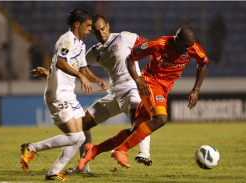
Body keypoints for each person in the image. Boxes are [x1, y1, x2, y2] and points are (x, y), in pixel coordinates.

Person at [32, 15, 153, 174]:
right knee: (83, 125)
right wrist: (50, 73)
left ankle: (144, 153)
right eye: (96, 31)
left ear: (108, 26)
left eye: (103, 29)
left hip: (131, 88)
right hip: (114, 94)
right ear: (94, 34)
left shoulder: (124, 37)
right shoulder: (94, 52)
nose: (101, 33)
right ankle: (84, 168)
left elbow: (152, 46)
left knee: (137, 117)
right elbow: (77, 67)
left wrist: (164, 69)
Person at [81, 26, 209, 169]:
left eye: (190, 46)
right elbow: (131, 57)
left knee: (136, 130)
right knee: (161, 119)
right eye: (185, 46)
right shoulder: (158, 44)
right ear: (177, 39)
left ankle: (94, 150)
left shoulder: (193, 48)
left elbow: (203, 64)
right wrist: (137, 80)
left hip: (164, 89)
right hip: (150, 83)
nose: (188, 49)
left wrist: (196, 89)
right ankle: (121, 150)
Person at [20, 7, 106, 181]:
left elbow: (82, 68)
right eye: (88, 25)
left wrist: (97, 80)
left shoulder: (80, 44)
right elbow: (60, 61)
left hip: (68, 94)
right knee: (76, 137)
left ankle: (80, 168)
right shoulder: (67, 39)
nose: (90, 29)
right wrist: (80, 75)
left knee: (84, 132)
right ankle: (33, 148)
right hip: (59, 94)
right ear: (77, 24)